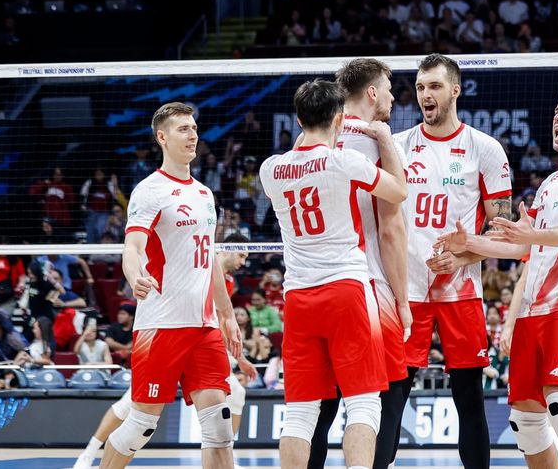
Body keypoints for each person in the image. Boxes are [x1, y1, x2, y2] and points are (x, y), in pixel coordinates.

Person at [438, 86, 558, 469]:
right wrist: (466, 246)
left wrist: (531, 235)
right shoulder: (551, 182)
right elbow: (521, 248)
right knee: (524, 418)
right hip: (530, 311)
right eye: (557, 110)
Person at [259, 79, 407, 469]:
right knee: (363, 402)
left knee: (300, 412)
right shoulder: (344, 161)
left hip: (298, 297)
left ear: (297, 119)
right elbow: (398, 191)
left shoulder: (271, 169)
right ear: (340, 118)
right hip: (346, 290)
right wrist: (383, 137)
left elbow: (299, 155)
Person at [389, 54, 513, 469]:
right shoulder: (397, 146)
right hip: (405, 290)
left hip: (462, 289)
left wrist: (462, 255)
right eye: (421, 87)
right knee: (393, 394)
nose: (426, 94)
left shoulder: (485, 149)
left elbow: (504, 232)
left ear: (455, 91)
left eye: (435, 86)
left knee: (469, 397)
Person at [102, 102, 241, 469]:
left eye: (194, 128)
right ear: (162, 137)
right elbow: (132, 249)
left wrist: (226, 316)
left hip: (204, 327)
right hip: (161, 323)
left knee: (219, 428)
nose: (192, 134)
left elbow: (209, 259)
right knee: (139, 427)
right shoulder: (149, 191)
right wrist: (135, 277)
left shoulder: (205, 194)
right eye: (183, 129)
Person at [306, 59, 413, 469]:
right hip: (367, 286)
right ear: (371, 92)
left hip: (314, 286)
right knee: (383, 394)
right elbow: (391, 230)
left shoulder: (311, 141)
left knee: (320, 402)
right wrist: (402, 301)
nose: (391, 96)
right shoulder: (381, 144)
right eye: (387, 88)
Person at [73, 239, 257, 469]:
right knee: (133, 413)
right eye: (242, 256)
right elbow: (135, 247)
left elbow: (220, 321)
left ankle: (227, 454)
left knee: (232, 398)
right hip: (164, 333)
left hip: (201, 339)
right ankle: (88, 454)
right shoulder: (190, 258)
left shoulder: (226, 282)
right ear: (228, 249)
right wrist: (134, 277)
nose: (243, 262)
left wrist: (239, 358)